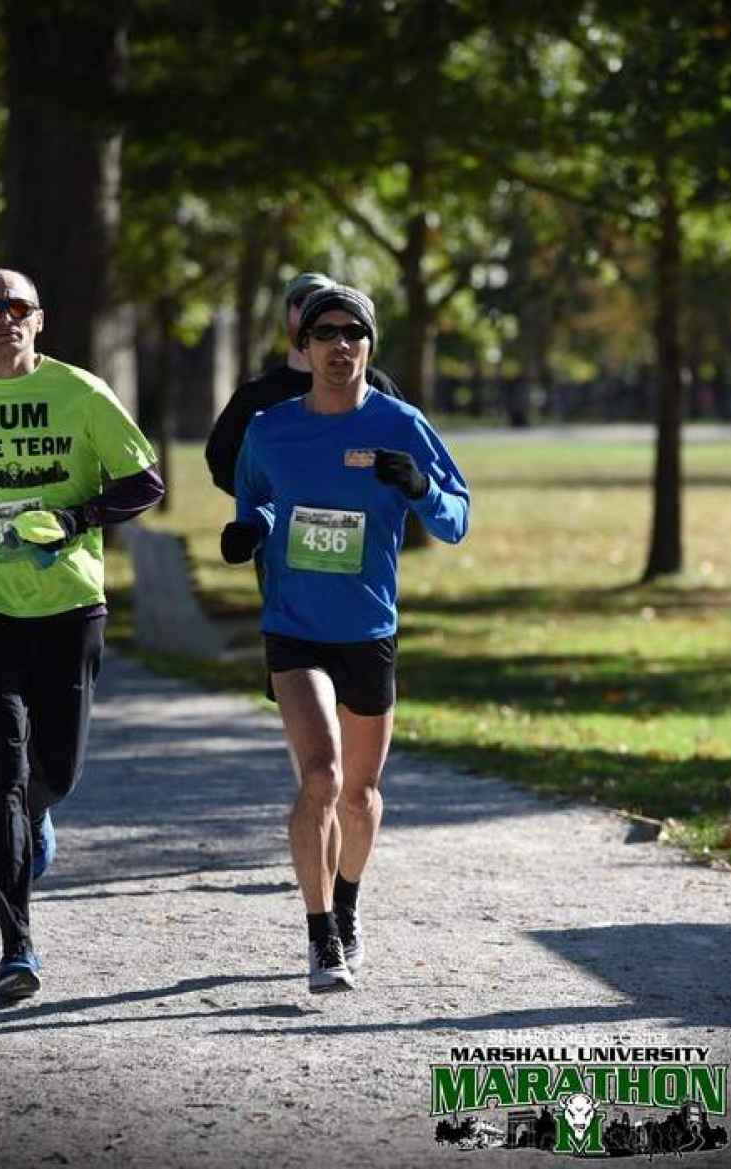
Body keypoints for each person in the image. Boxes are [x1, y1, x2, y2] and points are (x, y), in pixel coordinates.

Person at [220, 285, 469, 992]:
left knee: (358, 794)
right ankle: (320, 933)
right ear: (303, 347)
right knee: (321, 776)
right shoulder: (269, 428)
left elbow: (456, 520)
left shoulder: (401, 422)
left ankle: (349, 901)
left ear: (369, 344)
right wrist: (252, 532)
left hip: (367, 628)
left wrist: (421, 486)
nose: (339, 345)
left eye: (352, 332)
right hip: (294, 626)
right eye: (324, 333)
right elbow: (260, 501)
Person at [0, 268, 164, 1000]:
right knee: (0, 764)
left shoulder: (80, 392)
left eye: (17, 307)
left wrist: (76, 519)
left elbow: (145, 481)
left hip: (70, 606)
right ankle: (17, 948)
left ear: (39, 321)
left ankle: (37, 814)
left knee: (59, 768)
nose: (4, 318)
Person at [204, 271, 403, 499]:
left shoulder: (374, 384)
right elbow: (221, 460)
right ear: (287, 314)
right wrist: (271, 503)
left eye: (321, 301)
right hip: (277, 530)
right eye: (302, 302)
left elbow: (406, 455)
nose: (311, 308)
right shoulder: (255, 396)